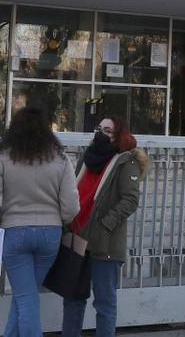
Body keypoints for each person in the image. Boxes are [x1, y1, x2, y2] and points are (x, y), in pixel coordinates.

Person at [0, 106, 80, 337]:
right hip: (50, 233)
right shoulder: (60, 158)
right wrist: (60, 220)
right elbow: (71, 205)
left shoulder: (3, 156)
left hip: (14, 231)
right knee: (27, 296)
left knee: (25, 297)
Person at [62, 116, 147, 337]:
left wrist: (105, 225)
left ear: (119, 135)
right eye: (99, 128)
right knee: (72, 298)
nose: (101, 133)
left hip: (106, 244)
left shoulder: (126, 161)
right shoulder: (87, 159)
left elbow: (130, 200)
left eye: (107, 130)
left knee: (104, 302)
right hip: (78, 238)